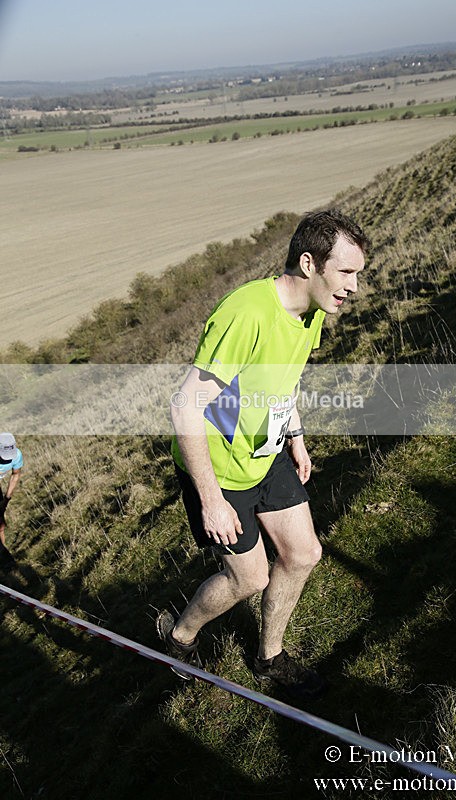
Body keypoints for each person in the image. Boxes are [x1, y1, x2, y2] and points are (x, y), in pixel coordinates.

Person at [157, 209, 368, 697]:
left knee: (304, 553)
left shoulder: (313, 311)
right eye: (346, 272)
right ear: (309, 263)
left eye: (357, 274)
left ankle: (269, 658)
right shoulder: (246, 313)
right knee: (248, 579)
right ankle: (180, 637)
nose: (353, 287)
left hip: (266, 455)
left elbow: (284, 381)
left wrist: (295, 437)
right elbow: (185, 407)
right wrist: (211, 500)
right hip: (220, 470)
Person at [0, 432, 23, 567]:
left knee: (1, 524)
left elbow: (15, 475)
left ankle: (2, 557)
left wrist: (6, 499)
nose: (7, 460)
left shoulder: (17, 455)